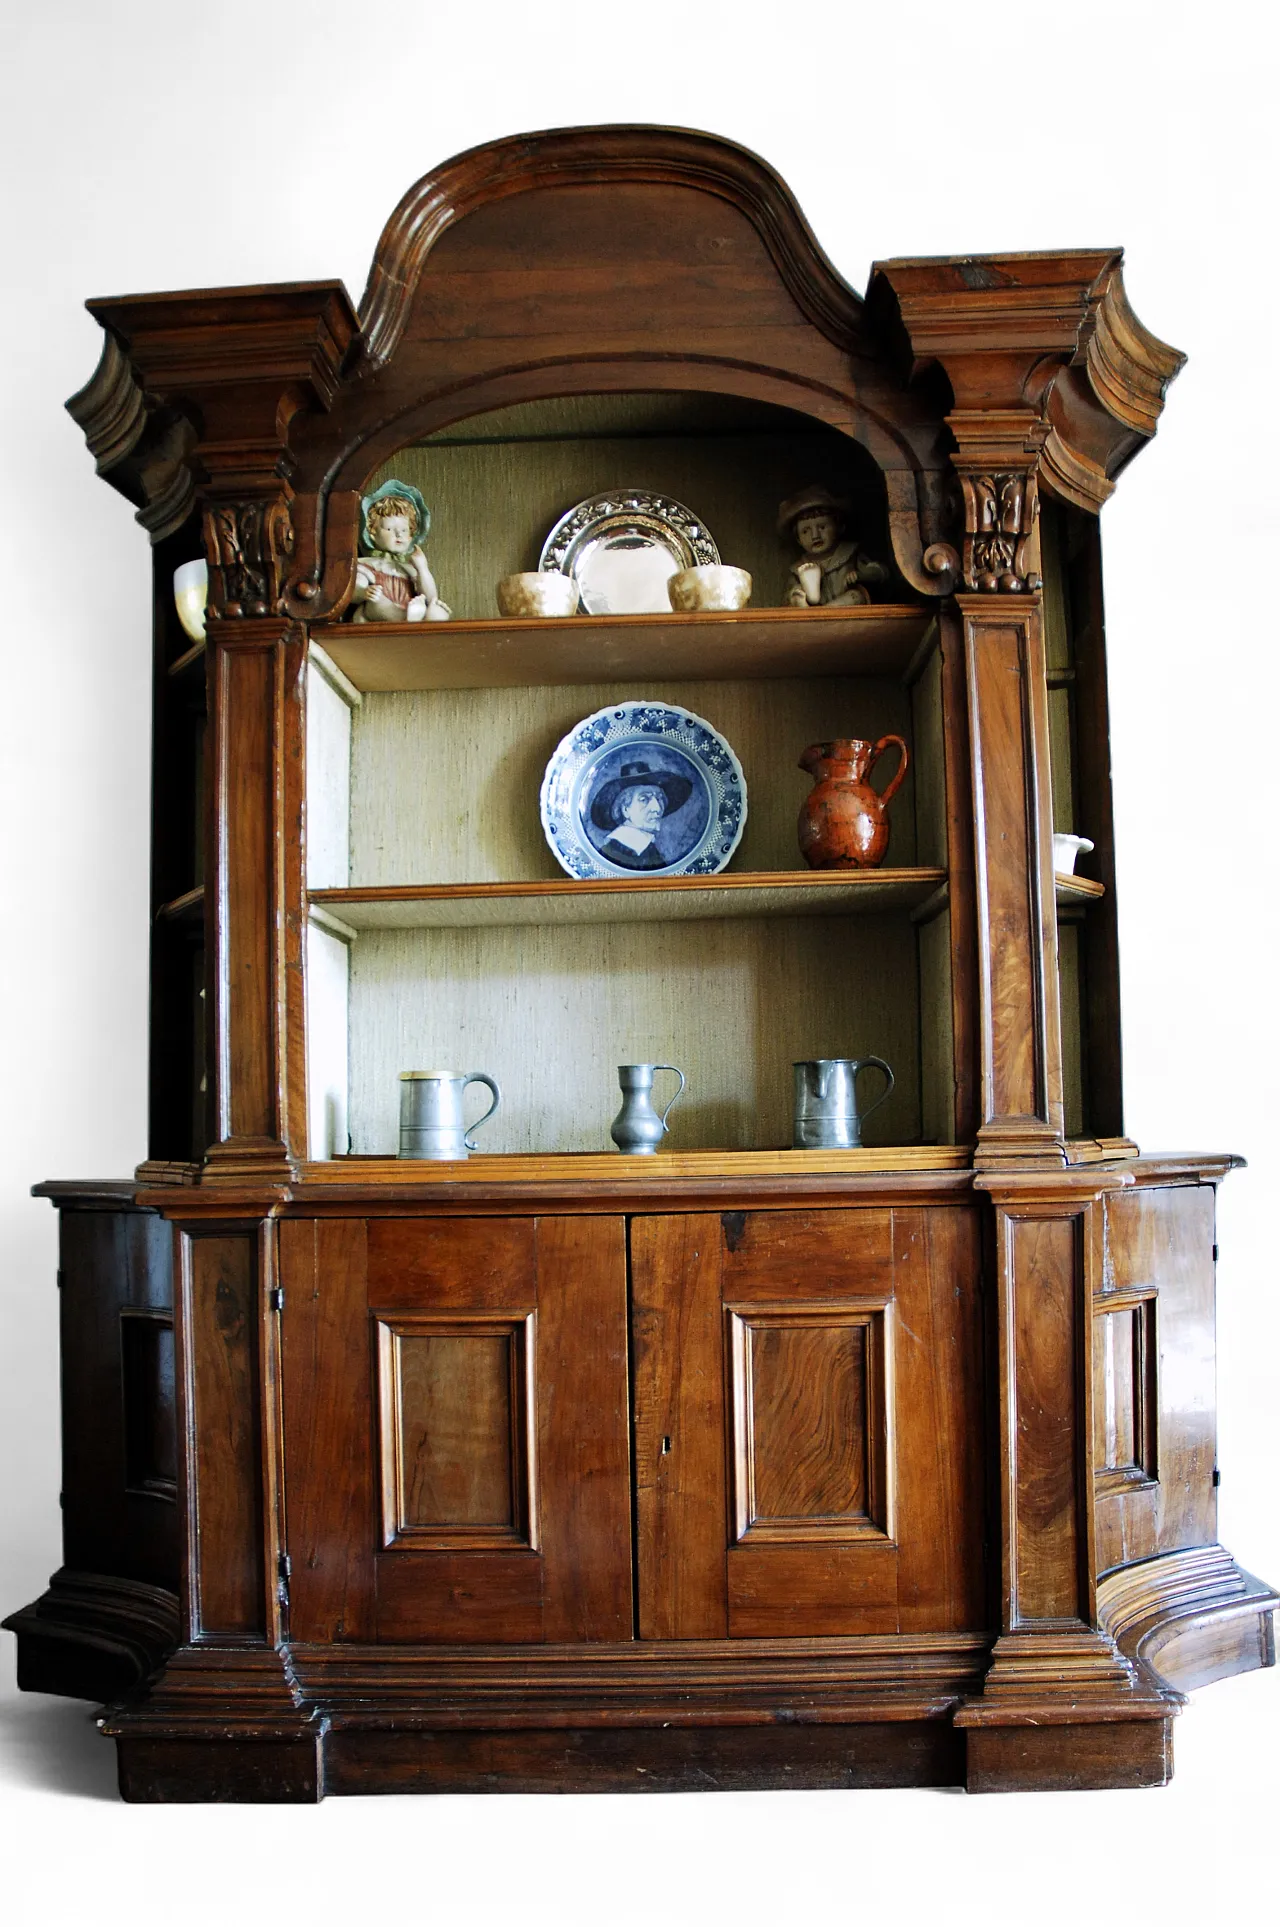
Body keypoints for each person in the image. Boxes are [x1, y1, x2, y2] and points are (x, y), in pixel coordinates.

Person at [351, 479, 451, 622]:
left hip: (411, 608)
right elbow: (351, 589)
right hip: (379, 613)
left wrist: (422, 568)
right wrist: (363, 592)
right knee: (377, 602)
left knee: (436, 609)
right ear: (372, 532)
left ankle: (429, 619)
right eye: (390, 529)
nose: (399, 534)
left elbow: (430, 597)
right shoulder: (366, 564)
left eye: (404, 530)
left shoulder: (409, 569)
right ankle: (406, 618)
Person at [777, 484, 889, 608]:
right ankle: (811, 600)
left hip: (841, 608)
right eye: (805, 531)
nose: (815, 536)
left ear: (840, 527)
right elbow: (785, 601)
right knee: (796, 595)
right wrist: (797, 594)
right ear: (798, 539)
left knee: (855, 596)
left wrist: (861, 575)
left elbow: (880, 572)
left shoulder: (850, 554)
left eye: (822, 527)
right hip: (808, 613)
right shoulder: (799, 568)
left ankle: (824, 611)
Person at [589, 760, 693, 871]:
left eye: (659, 798)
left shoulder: (644, 847)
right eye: (644, 799)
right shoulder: (618, 850)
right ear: (625, 809)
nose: (657, 808)